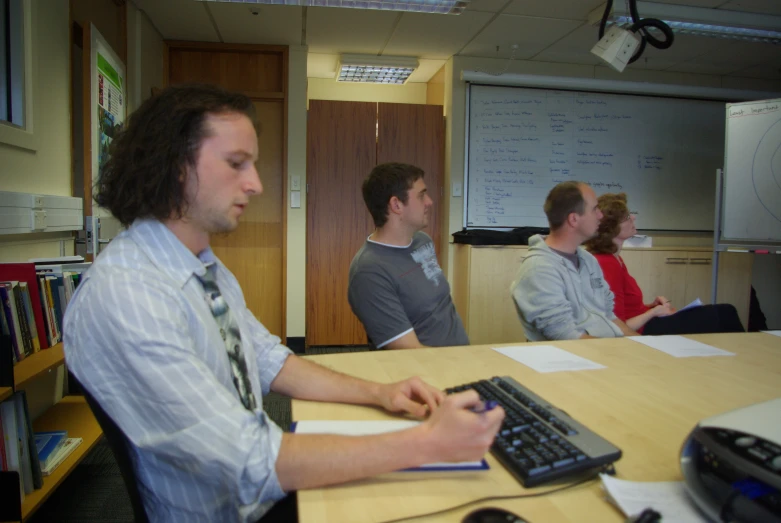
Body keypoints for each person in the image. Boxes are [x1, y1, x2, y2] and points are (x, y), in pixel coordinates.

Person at [63, 84, 504, 522]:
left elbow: (272, 360)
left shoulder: (200, 267)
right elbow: (250, 463)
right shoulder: (130, 296)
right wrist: (427, 443)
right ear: (174, 166)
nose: (255, 184)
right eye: (237, 164)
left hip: (256, 491)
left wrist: (380, 393)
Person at [584, 193, 744, 335]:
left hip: (648, 322)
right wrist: (653, 313)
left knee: (723, 313)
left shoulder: (615, 259)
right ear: (612, 229)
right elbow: (618, 326)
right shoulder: (606, 264)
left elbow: (627, 309)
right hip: (645, 329)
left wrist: (650, 307)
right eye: (626, 217)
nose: (633, 218)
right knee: (724, 313)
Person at [348, 162, 469, 349]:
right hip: (429, 371)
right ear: (396, 204)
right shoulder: (369, 272)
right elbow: (410, 352)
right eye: (421, 196)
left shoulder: (422, 241)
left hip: (460, 356)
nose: (429, 201)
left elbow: (440, 310)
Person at [512, 181, 640, 341]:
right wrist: (622, 352)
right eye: (594, 209)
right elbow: (567, 336)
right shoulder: (539, 269)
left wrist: (642, 345)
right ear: (573, 219)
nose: (601, 215)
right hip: (573, 358)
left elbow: (609, 316)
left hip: (605, 351)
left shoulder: (588, 261)